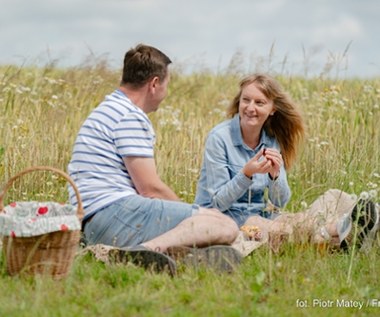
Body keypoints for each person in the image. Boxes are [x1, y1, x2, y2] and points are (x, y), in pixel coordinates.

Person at [68, 44, 241, 275]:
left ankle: (183, 258)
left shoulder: (108, 108)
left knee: (204, 221)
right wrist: (190, 213)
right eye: (167, 85)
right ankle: (144, 250)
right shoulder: (129, 116)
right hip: (113, 214)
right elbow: (149, 189)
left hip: (94, 219)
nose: (166, 92)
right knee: (223, 225)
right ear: (154, 84)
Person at [195, 73, 379, 252]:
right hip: (226, 221)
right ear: (239, 101)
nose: (250, 108)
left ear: (272, 109)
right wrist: (246, 175)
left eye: (259, 103)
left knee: (331, 199)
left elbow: (279, 203)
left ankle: (342, 231)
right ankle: (338, 230)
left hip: (263, 216)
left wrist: (275, 177)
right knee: (279, 230)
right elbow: (217, 203)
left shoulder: (270, 140)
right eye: (246, 100)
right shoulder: (219, 138)